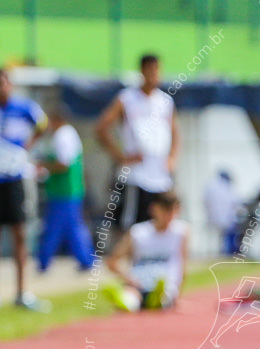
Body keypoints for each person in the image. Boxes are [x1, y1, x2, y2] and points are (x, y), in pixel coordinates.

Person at [96, 54, 178, 230]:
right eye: (150, 70)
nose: (154, 75)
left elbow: (175, 133)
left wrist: (172, 157)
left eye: (157, 70)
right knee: (132, 226)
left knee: (161, 223)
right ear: (142, 71)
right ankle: (125, 257)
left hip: (160, 175)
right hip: (136, 174)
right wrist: (120, 156)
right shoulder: (127, 98)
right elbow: (102, 128)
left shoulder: (165, 101)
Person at [0, 68, 49, 310]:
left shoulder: (24, 108)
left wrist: (28, 145)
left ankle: (22, 292)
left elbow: (43, 123)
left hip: (15, 178)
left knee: (20, 234)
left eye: (4, 83)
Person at [104, 191, 188, 312]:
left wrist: (179, 294)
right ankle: (124, 299)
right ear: (154, 209)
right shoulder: (137, 232)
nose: (170, 216)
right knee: (132, 298)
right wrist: (129, 279)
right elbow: (112, 261)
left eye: (173, 211)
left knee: (164, 294)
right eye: (165, 211)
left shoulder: (181, 232)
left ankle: (156, 299)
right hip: (139, 283)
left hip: (165, 284)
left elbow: (182, 266)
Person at [35, 106, 94, 273]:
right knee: (73, 227)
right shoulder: (68, 133)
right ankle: (86, 260)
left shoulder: (63, 136)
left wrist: (42, 166)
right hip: (68, 189)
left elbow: (63, 164)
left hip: (64, 190)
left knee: (55, 227)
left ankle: (44, 261)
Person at [204, 170, 241, 255]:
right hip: (226, 219)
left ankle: (221, 252)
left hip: (212, 218)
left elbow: (205, 202)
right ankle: (228, 253)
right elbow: (236, 202)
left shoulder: (210, 186)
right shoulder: (228, 188)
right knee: (229, 234)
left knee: (216, 237)